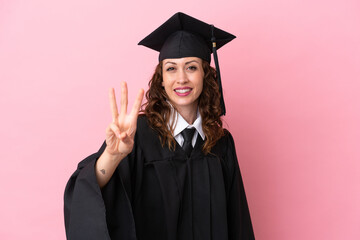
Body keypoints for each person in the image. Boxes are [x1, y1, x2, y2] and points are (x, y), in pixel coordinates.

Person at [64, 12, 255, 240]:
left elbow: (238, 223)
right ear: (161, 79)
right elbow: (89, 194)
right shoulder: (137, 135)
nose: (181, 78)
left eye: (191, 67)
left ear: (205, 74)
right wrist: (113, 156)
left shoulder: (221, 143)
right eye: (171, 68)